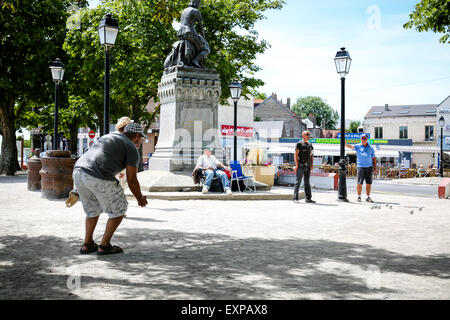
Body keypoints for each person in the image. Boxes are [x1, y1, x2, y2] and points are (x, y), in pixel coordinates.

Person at [73, 123, 148, 255]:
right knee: (119, 209)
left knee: (92, 210)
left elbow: (92, 156)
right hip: (97, 175)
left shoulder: (109, 136)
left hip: (78, 171)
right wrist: (140, 198)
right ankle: (104, 245)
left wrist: (75, 189)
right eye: (141, 138)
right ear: (137, 136)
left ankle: (88, 244)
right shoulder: (131, 147)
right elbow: (132, 180)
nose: (141, 141)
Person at [345, 134, 377, 202]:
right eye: (362, 138)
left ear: (367, 139)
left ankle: (368, 197)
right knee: (359, 183)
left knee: (369, 183)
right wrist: (344, 143)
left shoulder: (371, 148)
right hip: (361, 167)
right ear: (361, 139)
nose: (363, 139)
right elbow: (350, 146)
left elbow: (374, 158)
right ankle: (359, 196)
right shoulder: (358, 146)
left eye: (365, 138)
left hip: (369, 167)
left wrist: (375, 168)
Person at [293, 131, 316, 203]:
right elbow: (296, 155)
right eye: (307, 134)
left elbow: (311, 155)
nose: (308, 136)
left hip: (308, 166)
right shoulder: (299, 144)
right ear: (303, 135)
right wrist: (296, 165)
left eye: (309, 135)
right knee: (298, 182)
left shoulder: (310, 144)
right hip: (301, 165)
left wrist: (312, 165)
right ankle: (295, 198)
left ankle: (308, 198)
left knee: (307, 182)